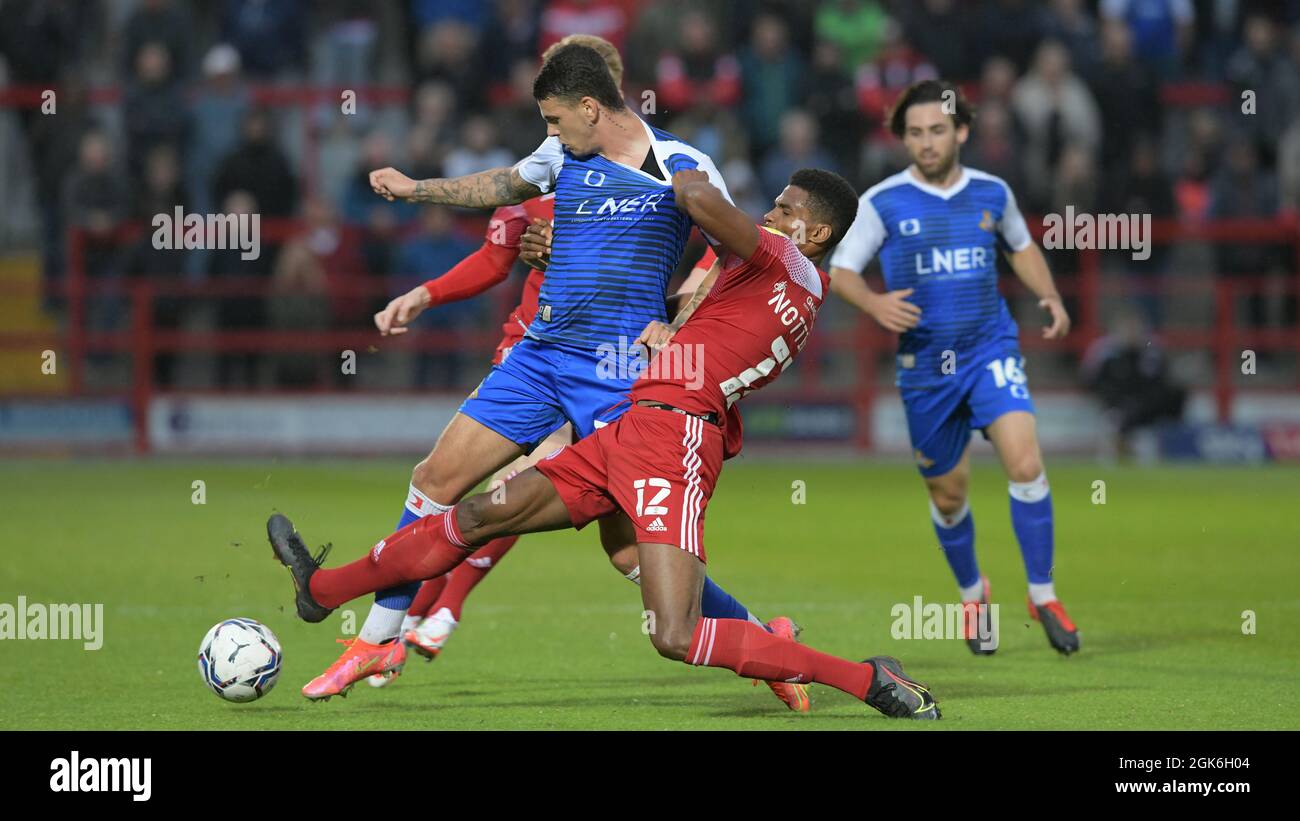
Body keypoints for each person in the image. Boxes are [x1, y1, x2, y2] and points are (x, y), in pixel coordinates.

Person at [268, 166, 941, 721]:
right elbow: (700, 298)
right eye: (770, 204)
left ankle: (865, 677)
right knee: (481, 513)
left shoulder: (786, 258)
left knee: (674, 633)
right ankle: (322, 588)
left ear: (815, 231)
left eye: (783, 207)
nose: (768, 213)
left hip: (674, 441)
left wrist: (642, 159)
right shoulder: (781, 279)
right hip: (634, 427)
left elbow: (698, 197)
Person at [294, 39, 796, 707]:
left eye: (556, 120)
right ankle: (377, 641)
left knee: (628, 553)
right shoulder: (564, 154)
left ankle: (768, 647)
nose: (548, 136)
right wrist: (416, 188)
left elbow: (728, 258)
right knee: (434, 478)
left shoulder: (682, 166)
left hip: (618, 374)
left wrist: (678, 325)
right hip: (539, 355)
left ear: (591, 107)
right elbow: (503, 183)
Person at [829, 80, 1080, 656]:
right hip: (925, 370)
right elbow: (842, 271)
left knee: (1024, 460)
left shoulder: (992, 193)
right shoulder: (883, 201)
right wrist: (873, 303)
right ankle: (974, 593)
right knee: (948, 495)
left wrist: (1050, 297)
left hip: (990, 349)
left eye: (937, 130)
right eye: (914, 133)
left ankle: (1042, 593)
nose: (926, 142)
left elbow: (1020, 246)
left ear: (961, 131)